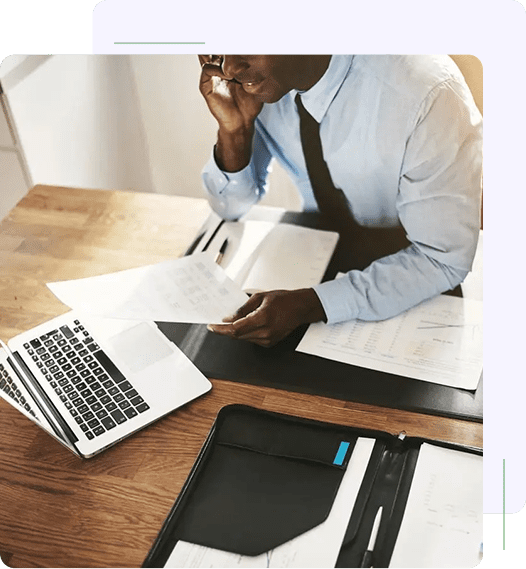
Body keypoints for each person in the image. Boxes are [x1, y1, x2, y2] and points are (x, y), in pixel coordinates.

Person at [198, 55, 482, 347]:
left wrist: (311, 304)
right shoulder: (257, 85)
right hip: (315, 258)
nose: (230, 68)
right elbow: (229, 209)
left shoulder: (428, 92)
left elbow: (442, 259)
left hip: (415, 276)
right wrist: (235, 132)